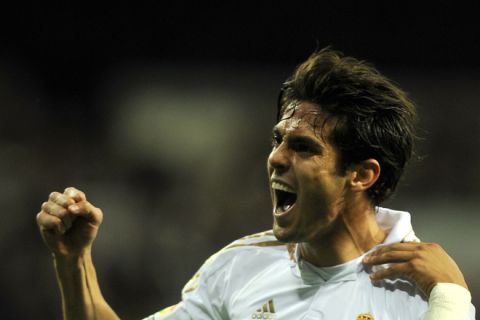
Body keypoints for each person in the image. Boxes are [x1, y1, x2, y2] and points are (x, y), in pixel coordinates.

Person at [37, 48, 475, 319]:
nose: (276, 158)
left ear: (361, 174)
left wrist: (453, 299)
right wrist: (74, 263)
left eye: (303, 148)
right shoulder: (239, 268)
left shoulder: (422, 289)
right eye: (278, 139)